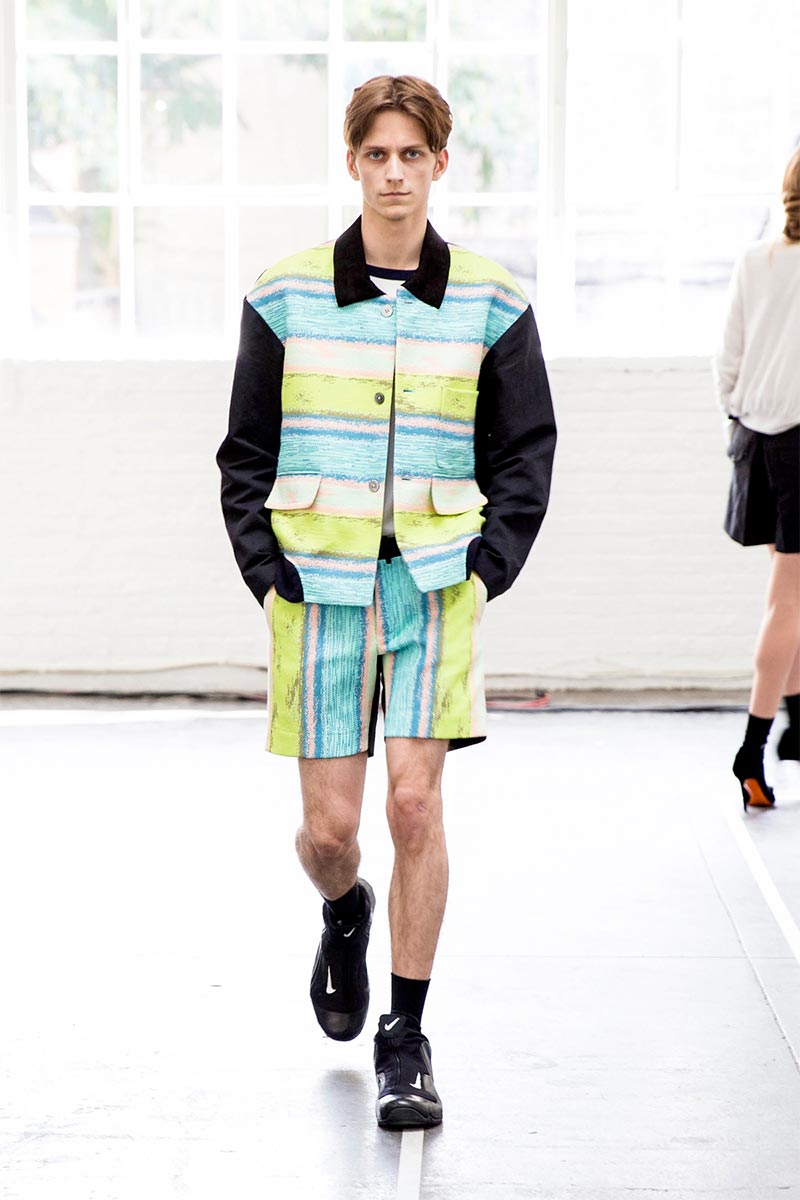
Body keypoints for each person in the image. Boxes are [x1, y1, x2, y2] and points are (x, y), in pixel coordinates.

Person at [216, 75, 556, 1128]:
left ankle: (405, 1037)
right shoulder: (284, 295)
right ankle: (344, 908)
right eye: (378, 154)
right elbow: (244, 449)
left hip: (435, 586)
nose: (395, 173)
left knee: (414, 805)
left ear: (439, 165)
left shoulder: (491, 300)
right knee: (329, 832)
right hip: (316, 590)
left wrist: (489, 565)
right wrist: (264, 569)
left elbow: (525, 449)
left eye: (413, 155)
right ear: (353, 163)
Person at [713, 146, 800, 810]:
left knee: (790, 594)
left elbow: (728, 364)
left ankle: (796, 725)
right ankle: (754, 746)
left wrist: (741, 426)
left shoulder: (756, 260)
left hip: (756, 442)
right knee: (787, 602)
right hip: (797, 445)